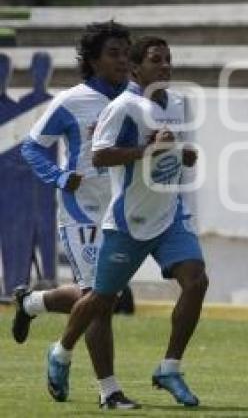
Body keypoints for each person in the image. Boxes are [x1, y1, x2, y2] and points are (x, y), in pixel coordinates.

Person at [45, 36, 209, 407]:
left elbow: (168, 150)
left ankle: (169, 367)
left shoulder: (178, 102)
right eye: (156, 60)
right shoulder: (124, 107)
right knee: (101, 300)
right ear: (137, 68)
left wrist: (182, 154)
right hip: (129, 220)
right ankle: (61, 350)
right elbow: (100, 157)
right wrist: (149, 149)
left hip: (169, 216)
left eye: (168, 59)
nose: (165, 66)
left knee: (196, 281)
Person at [15, 21, 138, 409]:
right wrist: (60, 175)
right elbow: (31, 147)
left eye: (126, 52)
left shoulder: (138, 99)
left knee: (103, 297)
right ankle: (109, 392)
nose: (123, 60)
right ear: (93, 60)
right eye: (114, 53)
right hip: (81, 210)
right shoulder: (72, 100)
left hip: (121, 212)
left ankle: (32, 303)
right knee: (99, 299)